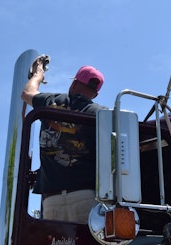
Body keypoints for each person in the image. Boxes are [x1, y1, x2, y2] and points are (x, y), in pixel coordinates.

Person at [21, 55, 107, 224]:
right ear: (95, 94)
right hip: (86, 197)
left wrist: (37, 76)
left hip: (52, 199)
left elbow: (27, 94)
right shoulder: (101, 114)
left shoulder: (51, 102)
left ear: (74, 83)